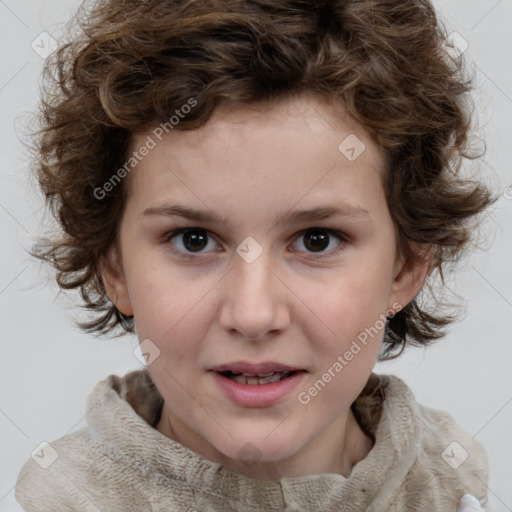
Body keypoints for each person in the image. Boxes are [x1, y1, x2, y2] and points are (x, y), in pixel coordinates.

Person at [15, 0, 496, 510]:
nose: (253, 314)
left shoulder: (457, 485)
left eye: (317, 240)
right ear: (114, 267)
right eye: (193, 240)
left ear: (406, 266)